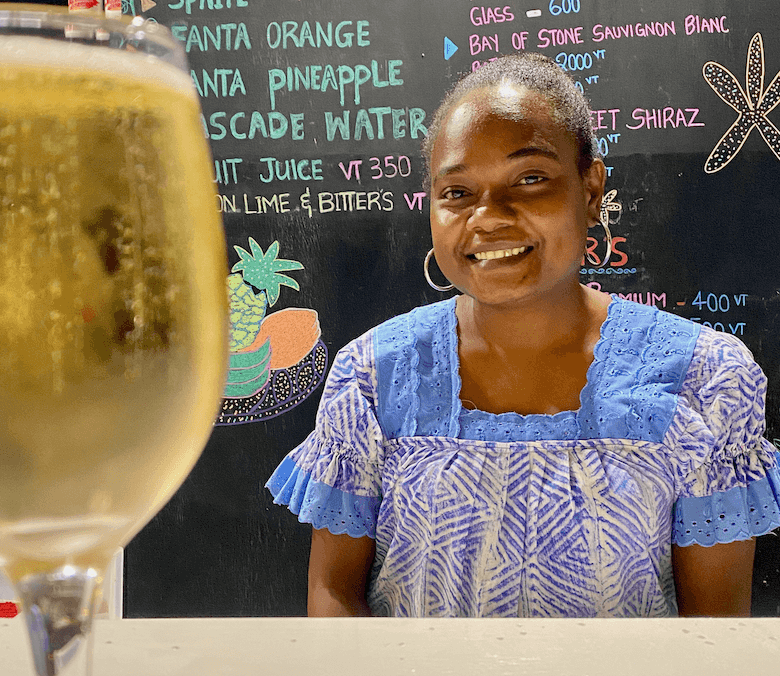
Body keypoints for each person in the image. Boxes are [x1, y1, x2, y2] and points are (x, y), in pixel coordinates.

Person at [266, 54, 780, 617]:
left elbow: (712, 632)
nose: (488, 216)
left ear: (591, 188)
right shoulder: (373, 376)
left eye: (530, 179)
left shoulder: (703, 380)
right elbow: (335, 591)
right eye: (457, 192)